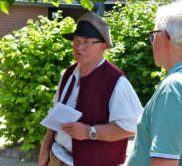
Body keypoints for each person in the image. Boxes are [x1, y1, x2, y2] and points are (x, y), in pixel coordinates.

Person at [39, 11, 143, 166]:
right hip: (58, 158)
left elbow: (132, 126)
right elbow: (56, 116)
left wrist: (90, 132)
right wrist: (44, 149)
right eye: (76, 40)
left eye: (86, 42)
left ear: (103, 46)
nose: (78, 47)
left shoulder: (116, 81)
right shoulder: (68, 73)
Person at [127, 0, 182, 166]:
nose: (151, 42)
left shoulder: (174, 88)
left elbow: (164, 162)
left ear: (164, 36)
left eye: (153, 36)